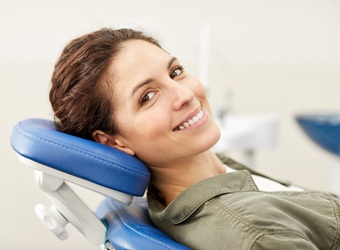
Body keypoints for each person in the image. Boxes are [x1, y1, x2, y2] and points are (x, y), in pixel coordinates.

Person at [50, 28, 340, 249]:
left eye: (175, 72)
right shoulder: (257, 234)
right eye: (148, 97)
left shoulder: (215, 171)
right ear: (114, 143)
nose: (186, 94)